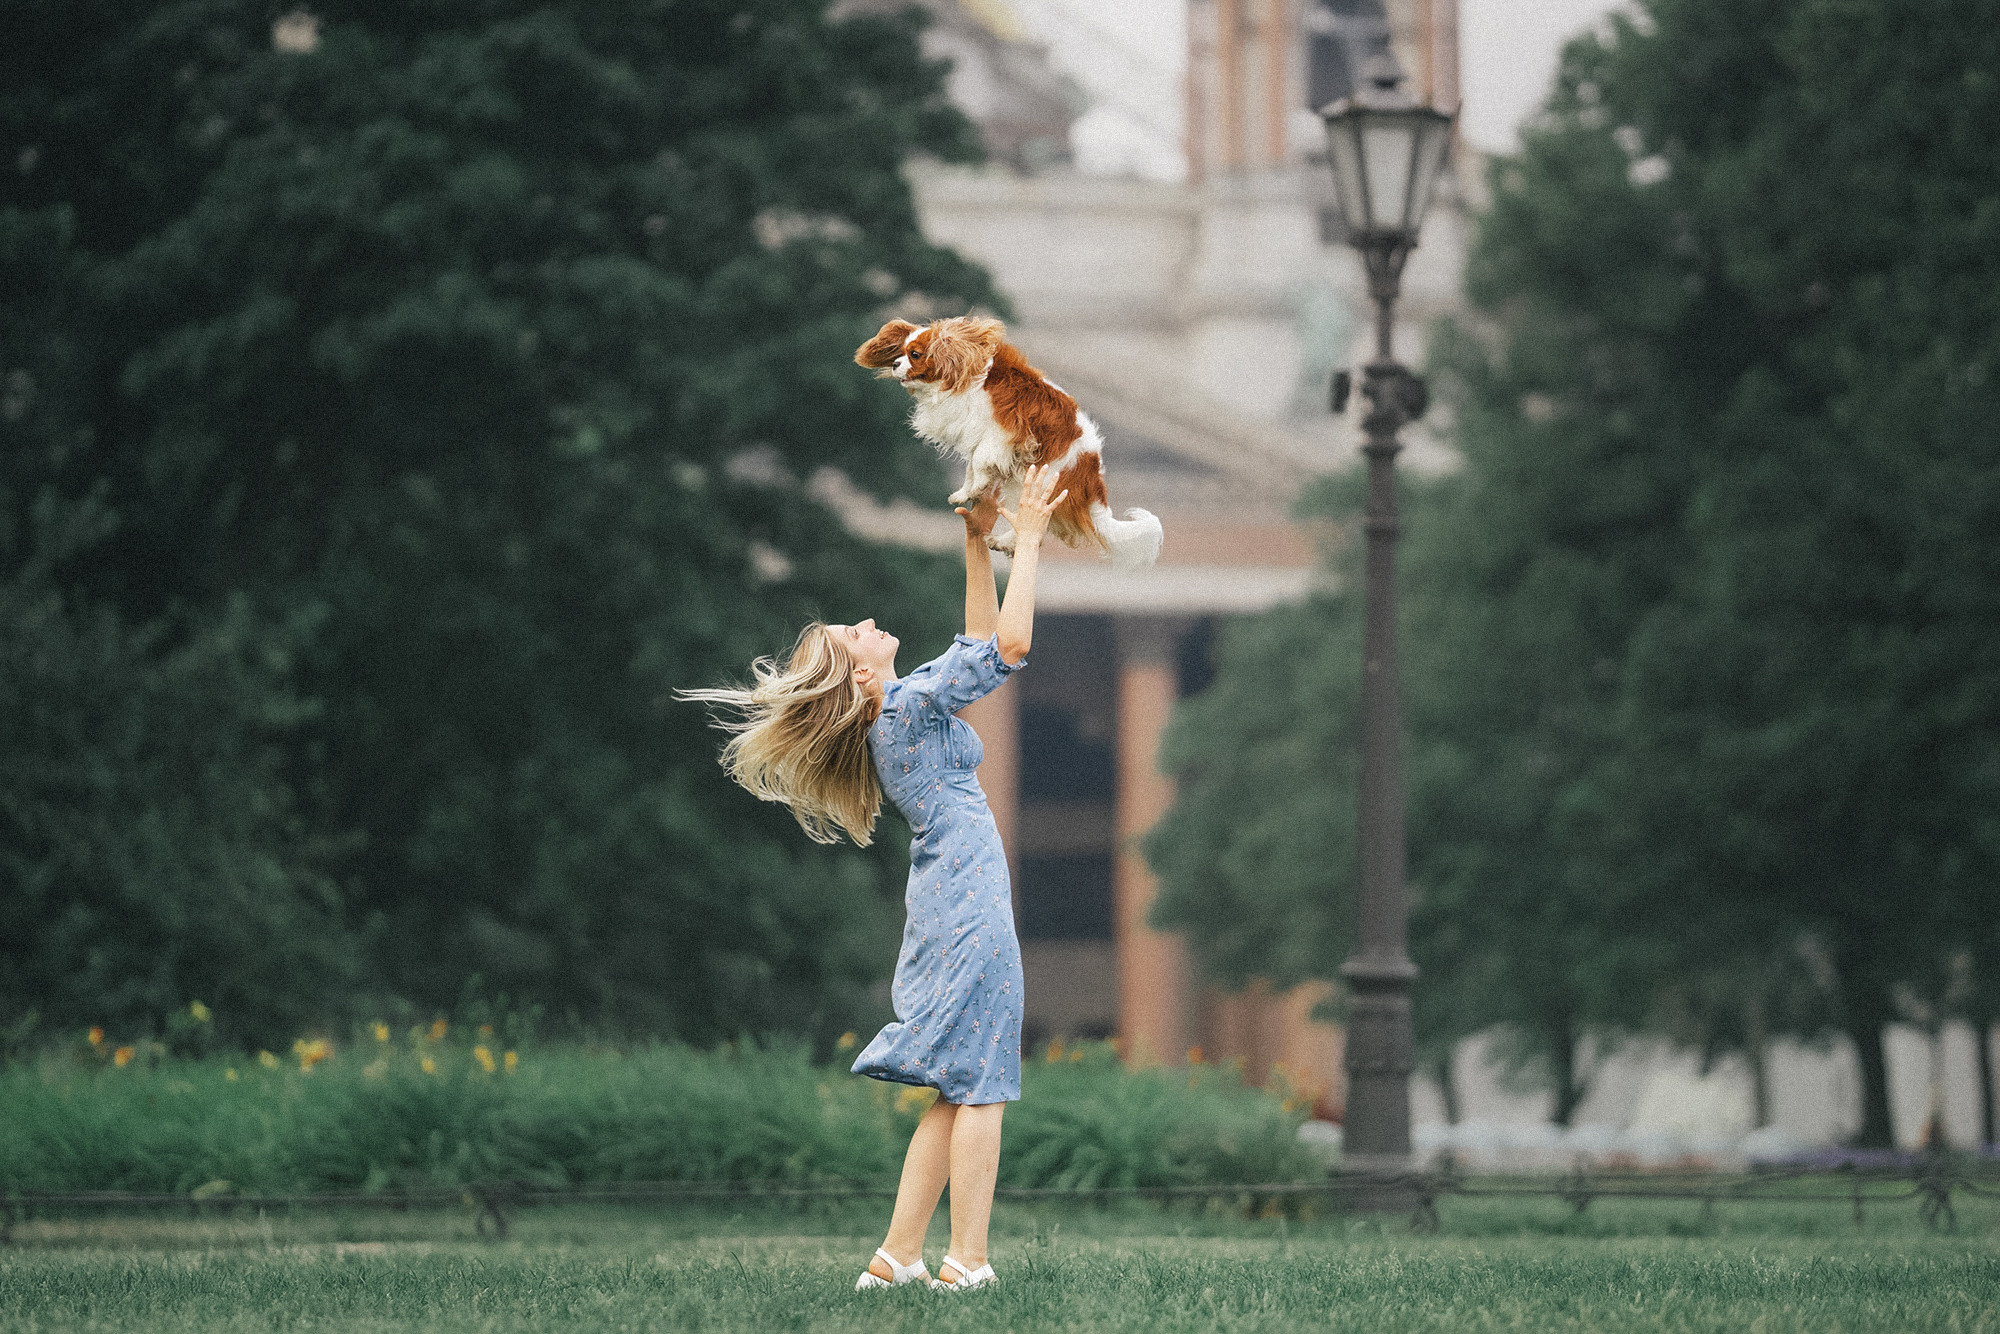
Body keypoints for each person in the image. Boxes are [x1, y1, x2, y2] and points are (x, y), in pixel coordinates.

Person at [681, 464, 1067, 1293]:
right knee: (985, 1082)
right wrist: (1026, 539)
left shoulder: (908, 702)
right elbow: (1011, 647)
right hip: (965, 899)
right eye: (854, 634)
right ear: (858, 676)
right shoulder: (904, 711)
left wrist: (975, 543)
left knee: (958, 1085)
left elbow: (975, 650)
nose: (867, 623)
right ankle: (966, 1261)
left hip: (947, 898)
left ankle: (895, 1258)